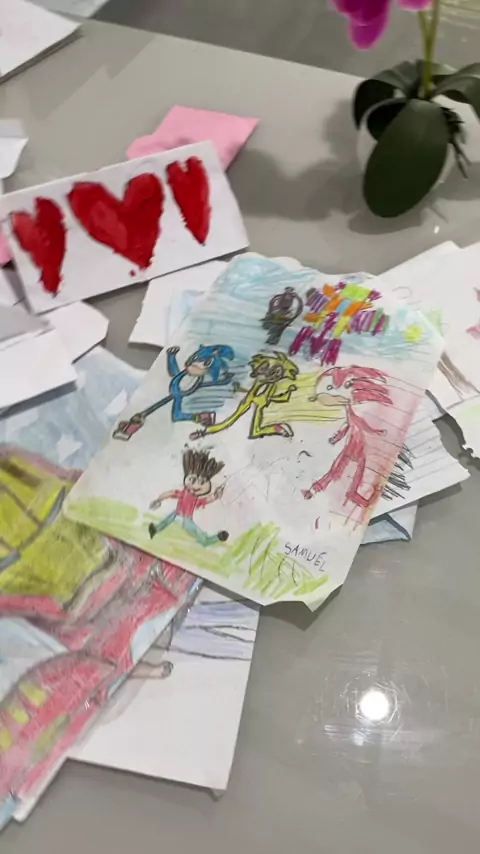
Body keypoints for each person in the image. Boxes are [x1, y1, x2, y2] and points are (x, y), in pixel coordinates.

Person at [148, 448, 228, 546]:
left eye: (202, 482)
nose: (196, 486)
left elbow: (206, 500)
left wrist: (216, 496)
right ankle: (156, 529)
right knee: (168, 520)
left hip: (185, 518)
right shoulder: (184, 494)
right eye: (193, 480)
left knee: (192, 529)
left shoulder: (195, 499)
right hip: (179, 514)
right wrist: (159, 499)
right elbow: (171, 493)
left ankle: (210, 539)